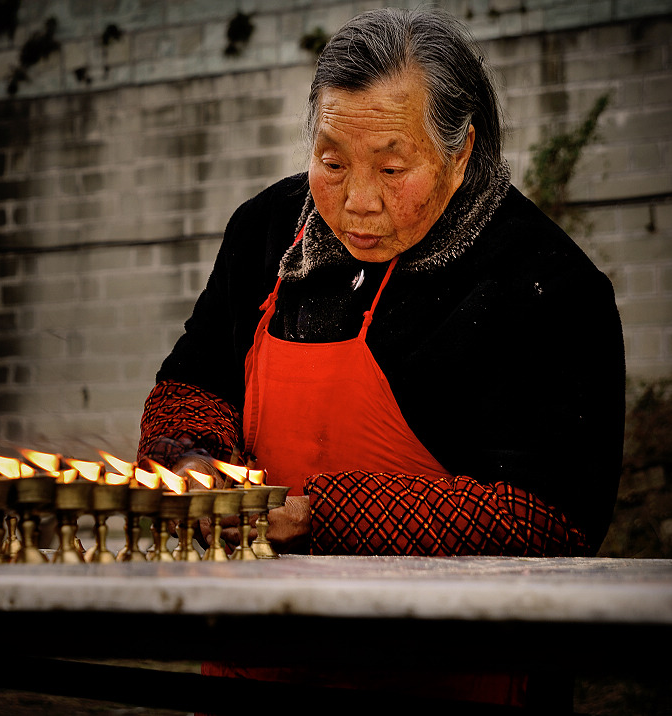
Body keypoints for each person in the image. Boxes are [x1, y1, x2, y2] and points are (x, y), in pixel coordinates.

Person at [137, 7, 625, 708]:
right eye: (332, 162)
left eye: (393, 167)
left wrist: (315, 517)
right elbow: (192, 382)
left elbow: (548, 519)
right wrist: (187, 462)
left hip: (457, 680)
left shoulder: (544, 284)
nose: (357, 202)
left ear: (461, 153)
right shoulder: (268, 230)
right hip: (255, 667)